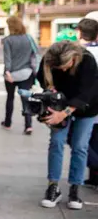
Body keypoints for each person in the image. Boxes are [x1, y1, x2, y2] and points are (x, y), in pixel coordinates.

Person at [37, 41, 98, 210]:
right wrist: (51, 90)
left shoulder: (87, 60)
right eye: (59, 68)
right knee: (56, 142)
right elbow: (42, 78)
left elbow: (88, 92)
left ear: (74, 58)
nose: (62, 70)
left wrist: (64, 114)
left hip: (87, 107)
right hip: (60, 104)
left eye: (65, 66)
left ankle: (75, 188)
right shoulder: (50, 59)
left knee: (80, 146)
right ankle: (53, 187)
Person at [1, 16, 39, 135]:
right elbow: (35, 53)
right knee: (25, 99)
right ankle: (28, 126)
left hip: (11, 74)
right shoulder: (29, 39)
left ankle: (8, 123)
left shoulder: (7, 40)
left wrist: (7, 72)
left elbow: (7, 59)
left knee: (10, 98)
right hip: (26, 73)